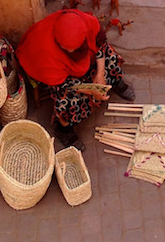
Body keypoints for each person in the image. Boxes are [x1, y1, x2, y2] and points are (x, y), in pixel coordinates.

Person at [16, 8, 135, 149]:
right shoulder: (45, 51)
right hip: (57, 76)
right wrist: (93, 91)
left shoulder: (86, 23)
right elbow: (63, 85)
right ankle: (64, 130)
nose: (71, 51)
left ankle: (116, 82)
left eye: (74, 48)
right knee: (68, 100)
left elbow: (100, 45)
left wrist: (100, 74)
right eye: (67, 48)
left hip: (83, 60)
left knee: (109, 57)